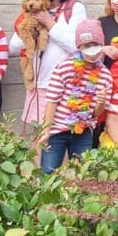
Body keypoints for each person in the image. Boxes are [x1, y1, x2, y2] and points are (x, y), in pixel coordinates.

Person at [9, 0, 88, 128]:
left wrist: (49, 23)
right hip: (39, 85)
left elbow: (76, 46)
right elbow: (14, 48)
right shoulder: (31, 10)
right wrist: (29, 31)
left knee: (63, 135)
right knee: (39, 138)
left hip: (67, 86)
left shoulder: (74, 8)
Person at [36, 19, 113, 174]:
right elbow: (52, 101)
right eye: (87, 46)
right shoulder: (65, 66)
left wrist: (100, 103)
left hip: (83, 131)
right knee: (47, 173)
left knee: (82, 175)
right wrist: (45, 131)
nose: (92, 50)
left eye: (95, 45)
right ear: (79, 47)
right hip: (56, 131)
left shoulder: (105, 76)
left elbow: (96, 114)